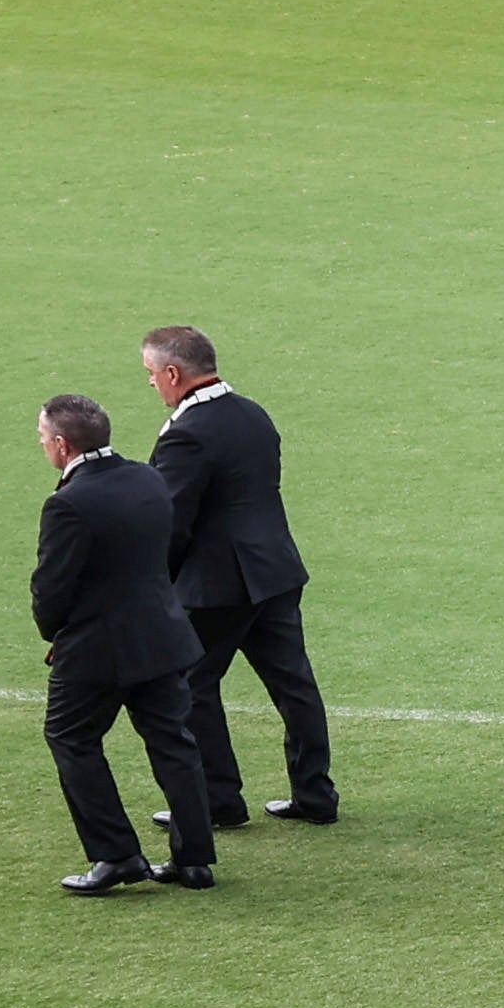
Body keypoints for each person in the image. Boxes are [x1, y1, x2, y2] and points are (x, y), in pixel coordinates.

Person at [142, 327, 332, 831]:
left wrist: (151, 583)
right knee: (294, 683)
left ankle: (217, 800)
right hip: (275, 569)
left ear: (173, 373)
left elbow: (171, 520)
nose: (152, 385)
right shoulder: (254, 414)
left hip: (216, 585)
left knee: (192, 685)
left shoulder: (186, 432)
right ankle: (315, 794)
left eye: (151, 374)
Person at [29, 393, 212, 898]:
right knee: (174, 742)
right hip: (162, 635)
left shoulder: (68, 503)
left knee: (70, 738)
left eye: (44, 439)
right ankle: (194, 860)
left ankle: (116, 854)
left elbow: (52, 589)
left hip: (95, 649)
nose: (43, 446)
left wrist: (55, 632)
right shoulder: (146, 477)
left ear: (63, 445)